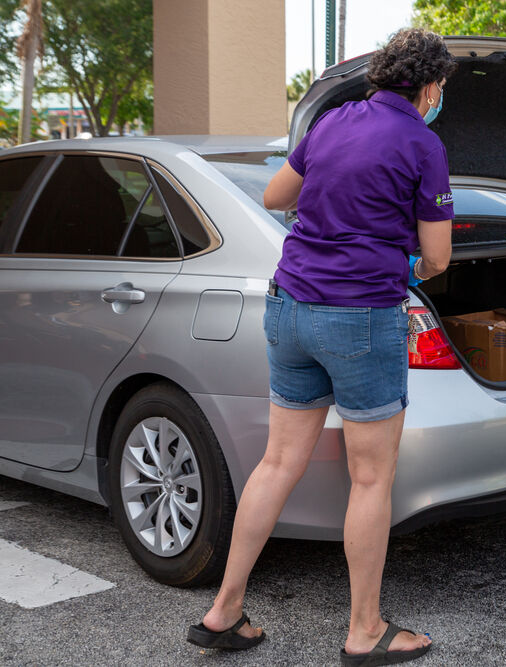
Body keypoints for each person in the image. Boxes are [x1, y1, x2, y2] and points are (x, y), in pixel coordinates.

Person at [186, 28, 457, 664]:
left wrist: (336, 212)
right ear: (426, 88)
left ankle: (224, 611)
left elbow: (278, 197)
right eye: (441, 86)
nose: (440, 96)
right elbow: (439, 257)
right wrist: (393, 258)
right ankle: (364, 630)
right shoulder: (423, 141)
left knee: (278, 462)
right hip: (360, 319)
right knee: (370, 477)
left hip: (290, 306)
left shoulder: (333, 120)